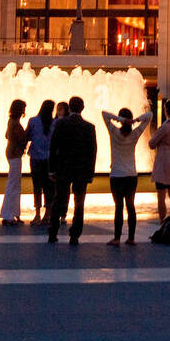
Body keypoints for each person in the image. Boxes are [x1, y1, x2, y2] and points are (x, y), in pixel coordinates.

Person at [47, 96, 97, 244]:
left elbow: (53, 147)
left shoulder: (61, 124)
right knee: (79, 203)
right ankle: (75, 235)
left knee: (59, 200)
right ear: (83, 108)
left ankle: (53, 232)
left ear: (69, 108)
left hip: (63, 169)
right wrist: (90, 172)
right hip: (81, 171)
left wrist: (51, 169)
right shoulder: (89, 127)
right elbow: (92, 152)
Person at [102, 106, 152, 245]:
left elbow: (104, 114)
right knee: (131, 206)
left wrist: (121, 120)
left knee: (118, 206)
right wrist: (135, 120)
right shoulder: (135, 134)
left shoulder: (113, 132)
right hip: (131, 175)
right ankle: (131, 238)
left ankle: (117, 238)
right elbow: (150, 115)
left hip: (116, 176)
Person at [25, 100, 58, 228]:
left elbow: (27, 136)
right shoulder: (55, 123)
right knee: (49, 187)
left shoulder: (33, 121)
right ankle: (47, 215)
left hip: (35, 158)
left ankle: (37, 214)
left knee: (37, 187)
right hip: (50, 160)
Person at [1, 99, 27, 226]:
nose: (24, 111)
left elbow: (6, 135)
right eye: (23, 108)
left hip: (11, 153)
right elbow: (21, 138)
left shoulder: (11, 122)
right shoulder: (15, 124)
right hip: (15, 154)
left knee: (14, 184)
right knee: (13, 185)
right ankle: (8, 215)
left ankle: (14, 214)